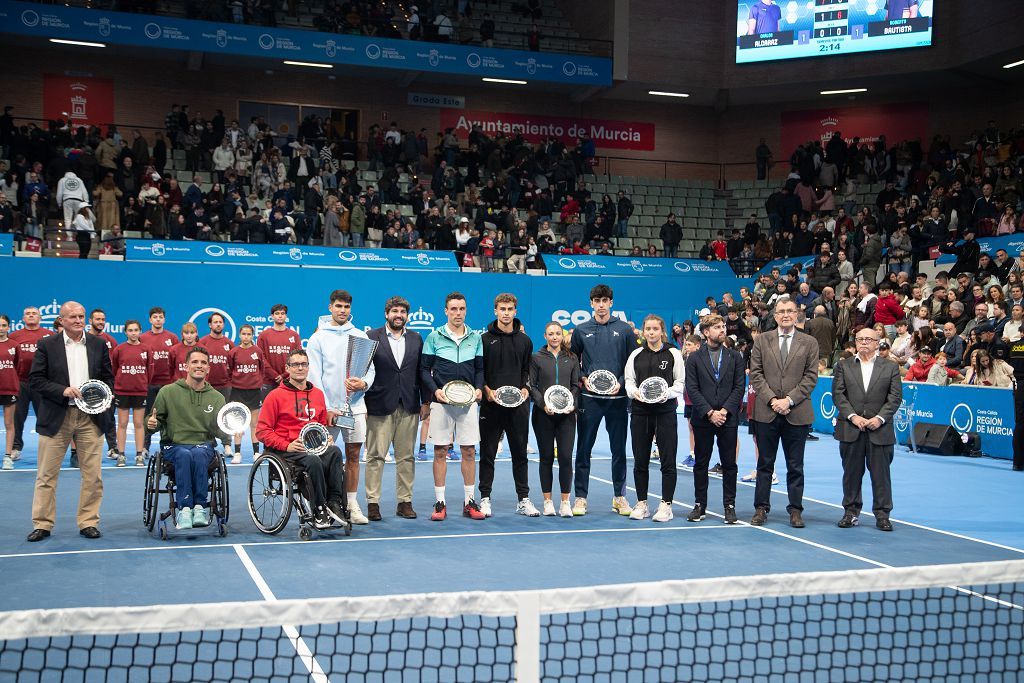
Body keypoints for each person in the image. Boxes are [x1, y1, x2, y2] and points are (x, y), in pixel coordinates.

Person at [27, 301, 114, 542]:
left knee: (93, 475)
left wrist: (105, 395)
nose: (78, 320)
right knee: (46, 475)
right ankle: (42, 524)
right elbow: (35, 380)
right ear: (61, 321)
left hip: (90, 417)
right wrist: (62, 390)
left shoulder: (98, 344)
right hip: (57, 414)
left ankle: (88, 521)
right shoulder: (46, 345)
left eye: (81, 316)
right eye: (72, 317)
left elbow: (108, 378)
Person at [256, 348, 347, 528]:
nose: (300, 368)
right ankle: (319, 508)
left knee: (335, 451)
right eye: (295, 364)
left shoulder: (317, 394)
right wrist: (286, 445)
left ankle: (335, 503)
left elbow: (320, 425)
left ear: (308, 367)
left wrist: (326, 437)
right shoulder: (275, 396)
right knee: (313, 460)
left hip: (313, 446)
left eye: (303, 364)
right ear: (287, 368)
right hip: (288, 450)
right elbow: (262, 431)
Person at [748, 296, 819, 528]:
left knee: (795, 465)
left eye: (790, 310)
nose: (786, 314)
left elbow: (811, 377)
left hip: (796, 413)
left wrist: (788, 400)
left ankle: (795, 510)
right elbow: (756, 374)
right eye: (781, 311)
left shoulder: (809, 342)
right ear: (775, 315)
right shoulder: (762, 341)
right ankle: (761, 508)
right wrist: (772, 401)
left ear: (797, 313)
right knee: (765, 465)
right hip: (766, 412)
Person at [307, 290, 376, 525]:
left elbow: (370, 370)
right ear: (330, 308)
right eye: (338, 306)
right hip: (327, 410)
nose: (342, 310)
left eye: (346, 307)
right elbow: (314, 375)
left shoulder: (360, 336)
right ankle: (324, 503)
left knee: (354, 455)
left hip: (355, 407)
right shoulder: (318, 338)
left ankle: (351, 504)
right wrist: (326, 407)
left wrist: (363, 383)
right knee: (323, 456)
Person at [570, 284, 637, 517]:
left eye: (604, 300)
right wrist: (582, 377)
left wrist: (621, 380)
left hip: (617, 399)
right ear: (591, 303)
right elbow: (572, 361)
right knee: (583, 449)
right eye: (596, 301)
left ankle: (619, 497)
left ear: (611, 303)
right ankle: (580, 498)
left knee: (618, 450)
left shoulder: (625, 330)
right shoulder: (580, 330)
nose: (600, 305)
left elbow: (632, 362)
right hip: (590, 400)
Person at [146, 347, 229, 530]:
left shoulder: (217, 397)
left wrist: (230, 435)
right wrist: (151, 424)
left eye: (203, 363)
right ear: (186, 366)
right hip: (173, 445)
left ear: (208, 368)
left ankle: (199, 507)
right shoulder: (167, 392)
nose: (199, 366)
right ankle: (184, 509)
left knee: (199, 453)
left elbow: (218, 428)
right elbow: (154, 420)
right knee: (184, 454)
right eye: (195, 362)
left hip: (203, 445)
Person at [420, 292, 486, 521]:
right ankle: (440, 502)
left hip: (468, 404)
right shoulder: (434, 337)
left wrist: (478, 388)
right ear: (446, 311)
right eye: (453, 309)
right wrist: (435, 391)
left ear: (466, 310)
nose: (458, 313)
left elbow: (479, 369)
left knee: (468, 451)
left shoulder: (475, 338)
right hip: (441, 403)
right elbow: (423, 370)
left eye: (462, 309)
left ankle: (470, 501)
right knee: (440, 451)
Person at [831, 328, 903, 531]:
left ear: (877, 342)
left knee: (881, 476)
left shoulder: (890, 367)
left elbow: (895, 397)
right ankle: (850, 512)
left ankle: (882, 515)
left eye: (868, 339)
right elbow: (838, 395)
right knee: (851, 473)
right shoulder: (843, 366)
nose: (863, 342)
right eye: (859, 339)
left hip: (880, 430)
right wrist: (853, 417)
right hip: (850, 429)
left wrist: (880, 418)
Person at [364, 296, 426, 521]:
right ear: (386, 314)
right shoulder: (371, 337)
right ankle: (373, 503)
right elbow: (363, 371)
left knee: (406, 457)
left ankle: (405, 502)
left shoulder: (417, 339)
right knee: (375, 457)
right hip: (379, 405)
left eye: (402, 312)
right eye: (394, 311)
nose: (398, 315)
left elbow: (422, 372)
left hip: (409, 405)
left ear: (407, 316)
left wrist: (425, 402)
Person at [623, 315, 685, 522]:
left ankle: (666, 505)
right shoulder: (636, 355)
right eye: (647, 329)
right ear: (643, 331)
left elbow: (680, 383)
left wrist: (663, 394)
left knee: (668, 461)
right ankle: (642, 503)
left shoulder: (673, 353)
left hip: (665, 412)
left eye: (655, 329)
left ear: (662, 331)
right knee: (640, 460)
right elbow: (629, 381)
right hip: (641, 413)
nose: (651, 332)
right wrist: (635, 393)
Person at [684, 315, 745, 525]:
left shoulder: (736, 357)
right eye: (717, 327)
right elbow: (692, 388)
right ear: (706, 332)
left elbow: (739, 387)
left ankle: (730, 506)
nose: (722, 330)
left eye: (723, 326)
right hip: (703, 418)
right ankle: (700, 505)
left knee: (729, 464)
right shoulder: (693, 358)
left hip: (727, 419)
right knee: (701, 463)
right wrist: (710, 412)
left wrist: (725, 411)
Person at [479, 293, 536, 518]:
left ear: (515, 311)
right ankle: (485, 499)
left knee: (520, 454)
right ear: (495, 311)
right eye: (502, 309)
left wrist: (525, 388)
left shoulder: (525, 341)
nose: (506, 313)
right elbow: (479, 371)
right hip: (491, 406)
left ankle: (523, 500)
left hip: (518, 407)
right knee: (487, 454)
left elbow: (527, 371)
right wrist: (487, 391)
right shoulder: (484, 339)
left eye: (510, 309)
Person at [529, 321, 580, 517]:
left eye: (558, 333)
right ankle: (548, 501)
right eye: (551, 334)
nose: (555, 337)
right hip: (544, 416)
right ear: (545, 336)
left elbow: (576, 386)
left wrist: (572, 404)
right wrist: (543, 405)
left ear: (562, 335)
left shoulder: (572, 358)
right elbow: (532, 386)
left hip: (567, 417)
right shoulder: (536, 358)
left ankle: (565, 502)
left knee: (566, 458)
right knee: (547, 457)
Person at [10, 306, 52, 463]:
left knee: (44, 417)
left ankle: (46, 449)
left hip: (41, 383)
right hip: (20, 382)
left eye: (34, 313)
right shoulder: (14, 336)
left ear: (40, 318)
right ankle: (15, 448)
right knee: (17, 418)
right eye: (28, 314)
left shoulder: (49, 336)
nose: (31, 316)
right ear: (23, 318)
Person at [109, 320, 151, 467]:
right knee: (123, 423)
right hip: (122, 391)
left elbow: (149, 372)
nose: (133, 333)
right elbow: (114, 370)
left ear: (140, 331)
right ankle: (121, 455)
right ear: (125, 332)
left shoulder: (146, 349)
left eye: (136, 330)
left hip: (140, 391)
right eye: (130, 330)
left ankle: (139, 455)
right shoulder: (119, 350)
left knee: (139, 423)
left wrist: (142, 383)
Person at [140, 307, 180, 457]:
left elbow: (177, 362)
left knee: (170, 416)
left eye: (160, 317)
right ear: (150, 320)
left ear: (164, 319)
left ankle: (169, 445)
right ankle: (144, 447)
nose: (158, 319)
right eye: (155, 317)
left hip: (168, 385)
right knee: (149, 415)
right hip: (149, 384)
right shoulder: (143, 338)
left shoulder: (172, 338)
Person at [227, 324, 265, 463]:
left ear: (252, 335)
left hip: (254, 392)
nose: (246, 337)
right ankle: (237, 453)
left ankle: (256, 453)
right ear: (239, 335)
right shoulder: (233, 352)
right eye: (244, 334)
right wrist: (237, 382)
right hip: (238, 392)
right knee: (238, 424)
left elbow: (262, 371)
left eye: (249, 334)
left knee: (254, 424)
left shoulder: (258, 351)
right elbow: (229, 370)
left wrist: (256, 383)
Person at [256, 303, 301, 402]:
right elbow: (261, 358)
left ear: (286, 316)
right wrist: (275, 375)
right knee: (268, 413)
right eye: (277, 313)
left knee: (288, 412)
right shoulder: (263, 335)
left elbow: (297, 358)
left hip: (289, 380)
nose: (280, 316)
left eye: (282, 313)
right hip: (268, 381)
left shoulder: (294, 335)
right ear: (272, 316)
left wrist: (284, 375)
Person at [0, 315, 20, 470]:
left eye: (4, 325)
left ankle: (7, 457)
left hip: (9, 388)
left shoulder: (15, 345)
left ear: (8, 327)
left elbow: (18, 367)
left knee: (9, 424)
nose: (1, 328)